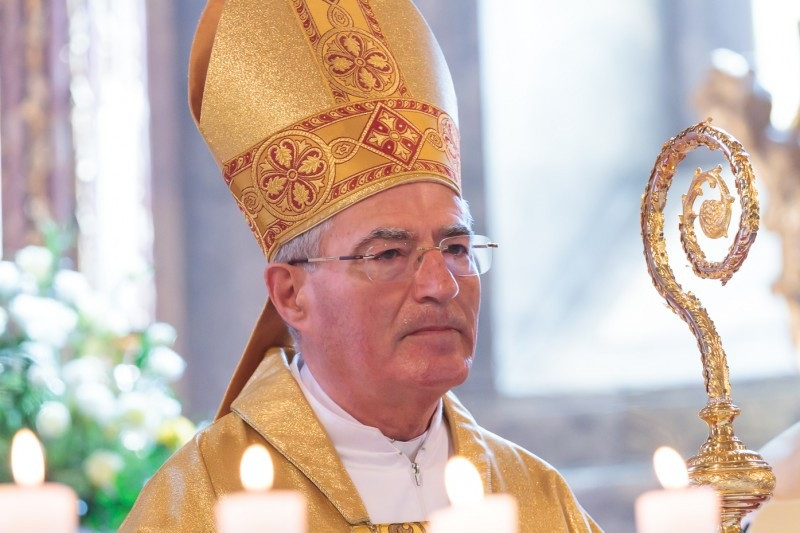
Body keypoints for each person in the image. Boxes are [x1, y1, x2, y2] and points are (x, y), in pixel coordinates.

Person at [120, 0, 601, 531]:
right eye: (389, 255)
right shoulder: (201, 503)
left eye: (456, 248)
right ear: (291, 295)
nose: (441, 284)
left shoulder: (534, 496)